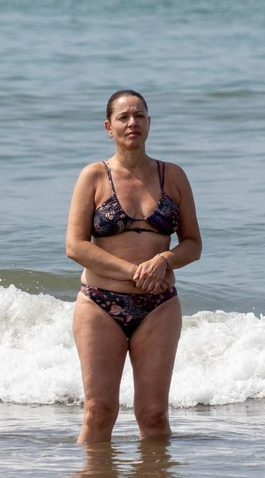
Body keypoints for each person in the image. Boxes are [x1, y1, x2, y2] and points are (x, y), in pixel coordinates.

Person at [65, 90, 202, 443]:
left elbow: (193, 244)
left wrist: (164, 260)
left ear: (149, 123)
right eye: (124, 117)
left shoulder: (173, 175)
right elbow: (75, 246)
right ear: (109, 127)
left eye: (139, 116)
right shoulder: (94, 176)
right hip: (100, 302)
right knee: (99, 412)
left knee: (154, 415)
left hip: (159, 306)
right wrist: (135, 271)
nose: (132, 123)